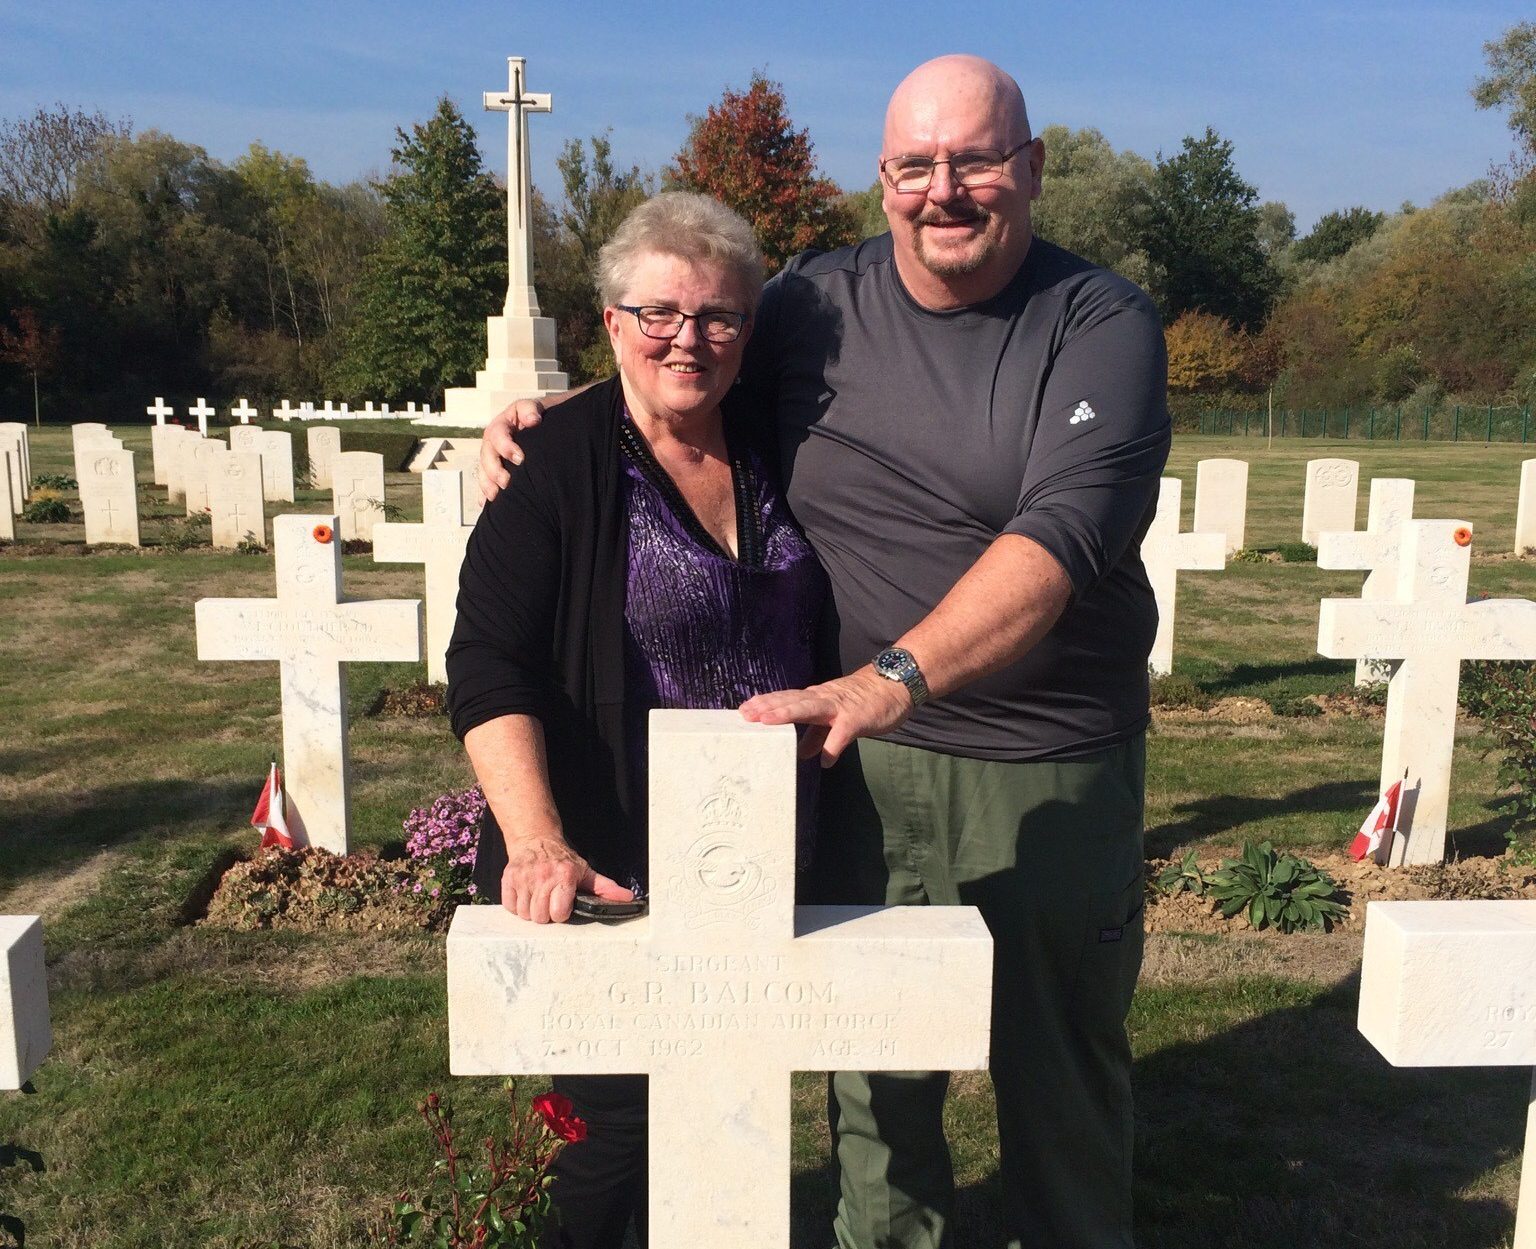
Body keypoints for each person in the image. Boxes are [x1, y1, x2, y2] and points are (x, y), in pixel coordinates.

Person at [478, 55, 1169, 1249]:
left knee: (1057, 1082)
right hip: (854, 768)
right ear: (883, 178)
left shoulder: (1099, 324)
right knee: (875, 1087)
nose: (943, 190)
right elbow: (686, 349)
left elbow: (1059, 541)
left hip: (1040, 760)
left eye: (976, 160)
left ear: (1032, 168)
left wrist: (890, 676)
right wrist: (563, 417)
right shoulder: (813, 303)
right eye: (914, 164)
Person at [445, 190, 826, 1249]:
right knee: (620, 1125)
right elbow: (485, 662)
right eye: (658, 313)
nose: (686, 340)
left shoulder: (773, 443)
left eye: (716, 316)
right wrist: (537, 840)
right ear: (611, 323)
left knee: (728, 1116)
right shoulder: (556, 461)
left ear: (749, 329)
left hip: (752, 853)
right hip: (602, 848)